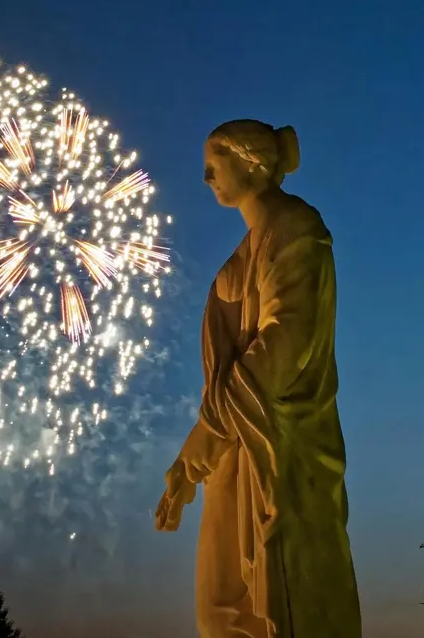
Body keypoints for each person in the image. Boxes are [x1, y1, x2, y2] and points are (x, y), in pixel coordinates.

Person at [155, 119, 362, 637]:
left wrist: (203, 440)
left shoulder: (297, 229)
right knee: (221, 613)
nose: (205, 176)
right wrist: (190, 461)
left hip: (281, 448)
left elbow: (286, 342)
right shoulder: (240, 258)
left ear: (250, 161)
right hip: (236, 448)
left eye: (214, 161)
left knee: (281, 604)